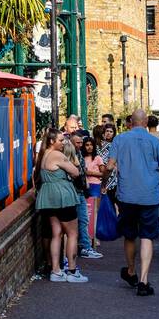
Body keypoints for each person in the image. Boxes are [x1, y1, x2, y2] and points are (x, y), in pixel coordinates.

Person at [107, 108, 159, 296]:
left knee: (129, 235)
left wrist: (104, 183)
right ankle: (143, 281)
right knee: (147, 236)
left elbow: (109, 166)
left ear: (130, 123)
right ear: (146, 122)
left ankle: (131, 271)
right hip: (150, 195)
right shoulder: (155, 141)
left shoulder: (119, 139)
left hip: (127, 195)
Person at [36, 130, 88, 283]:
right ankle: (72, 271)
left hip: (49, 198)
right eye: (60, 140)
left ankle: (56, 271)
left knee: (56, 233)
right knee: (72, 234)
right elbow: (76, 172)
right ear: (52, 141)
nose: (64, 142)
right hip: (63, 197)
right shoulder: (57, 155)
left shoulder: (44, 154)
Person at [61, 114, 99, 260]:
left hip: (80, 191)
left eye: (80, 143)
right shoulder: (68, 154)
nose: (80, 145)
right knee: (73, 224)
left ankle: (85, 247)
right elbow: (75, 172)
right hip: (72, 192)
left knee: (83, 220)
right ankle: (77, 251)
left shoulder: (79, 153)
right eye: (77, 143)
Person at [81, 135, 104, 249]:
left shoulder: (98, 158)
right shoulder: (81, 157)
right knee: (85, 212)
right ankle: (85, 237)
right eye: (87, 145)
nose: (89, 147)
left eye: (91, 145)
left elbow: (103, 173)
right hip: (84, 186)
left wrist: (89, 173)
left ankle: (94, 237)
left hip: (95, 185)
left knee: (94, 213)